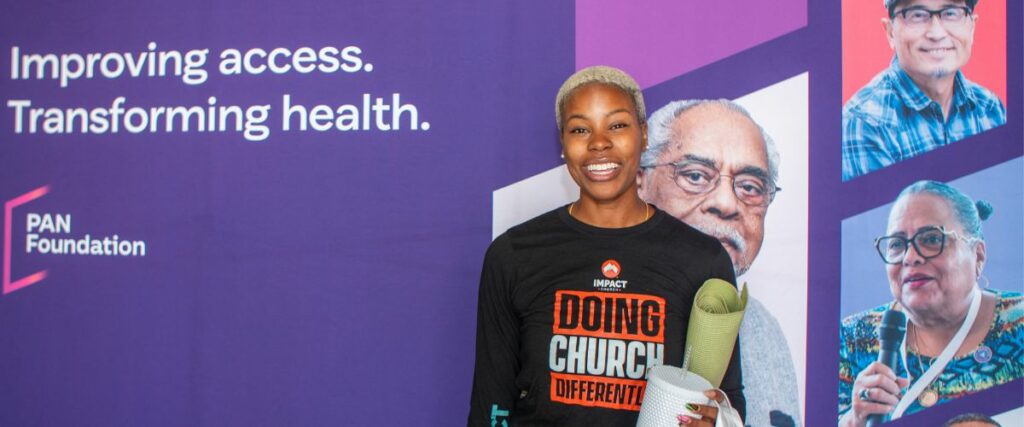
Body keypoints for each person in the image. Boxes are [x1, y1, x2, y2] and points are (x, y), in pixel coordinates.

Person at [468, 66, 745, 426]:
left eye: (616, 125)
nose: (599, 142)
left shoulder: (701, 260)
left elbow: (728, 399)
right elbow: (491, 406)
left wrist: (717, 420)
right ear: (564, 145)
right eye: (580, 129)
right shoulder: (514, 255)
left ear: (643, 136)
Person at [638, 100, 801, 427]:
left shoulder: (764, 330)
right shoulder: (595, 292)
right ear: (639, 182)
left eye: (750, 187)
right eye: (696, 175)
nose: (726, 204)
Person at [838, 180, 1024, 426]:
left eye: (932, 239)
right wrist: (854, 420)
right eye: (896, 244)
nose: (911, 257)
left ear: (977, 255)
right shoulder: (851, 339)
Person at [841, 0, 1006, 181]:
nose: (936, 33)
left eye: (951, 13)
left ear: (972, 28)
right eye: (917, 15)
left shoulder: (990, 108)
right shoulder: (864, 124)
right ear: (890, 32)